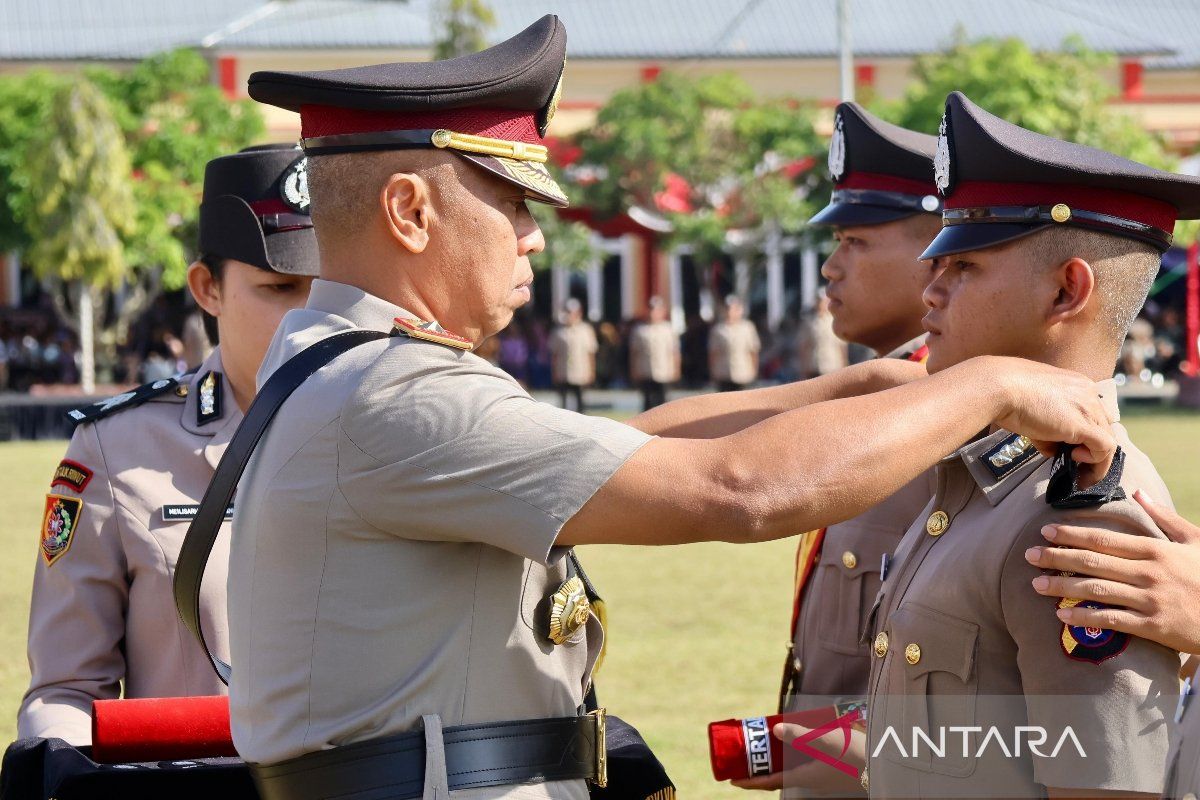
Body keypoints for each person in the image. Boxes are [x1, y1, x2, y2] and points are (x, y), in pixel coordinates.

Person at [229, 21, 1115, 800]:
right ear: (409, 210)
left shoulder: (347, 373)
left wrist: (857, 387)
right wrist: (991, 386)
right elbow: (738, 490)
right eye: (508, 203)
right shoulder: (395, 397)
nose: (535, 234)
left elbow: (620, 442)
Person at [767, 91, 1200, 799]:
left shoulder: (1079, 515)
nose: (931, 290)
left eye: (963, 266)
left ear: (1066, 292)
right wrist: (832, 748)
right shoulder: (977, 487)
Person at [16, 146, 319, 744]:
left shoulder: (407, 433)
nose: (310, 317)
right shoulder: (118, 449)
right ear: (208, 290)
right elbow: (67, 690)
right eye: (280, 287)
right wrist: (62, 760)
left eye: (330, 288)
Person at [765, 103, 944, 790]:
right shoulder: (883, 404)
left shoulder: (963, 426)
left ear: (938, 256)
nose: (830, 270)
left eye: (857, 243)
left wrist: (820, 745)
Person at [630, 295, 680, 409]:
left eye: (657, 310)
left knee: (663, 402)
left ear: (662, 311)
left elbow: (674, 352)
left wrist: (676, 370)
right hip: (646, 370)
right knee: (647, 401)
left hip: (664, 371)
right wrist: (634, 370)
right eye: (651, 309)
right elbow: (634, 353)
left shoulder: (668, 329)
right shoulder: (639, 330)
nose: (653, 313)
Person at [549, 297, 596, 411]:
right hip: (563, 371)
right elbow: (554, 354)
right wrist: (554, 372)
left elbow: (591, 353)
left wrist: (592, 372)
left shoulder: (586, 330)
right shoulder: (558, 331)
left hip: (580, 372)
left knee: (580, 402)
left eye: (572, 312)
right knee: (564, 403)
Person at [708, 295, 760, 392]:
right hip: (724, 372)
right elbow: (713, 353)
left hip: (743, 372)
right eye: (728, 309)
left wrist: (754, 370)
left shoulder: (747, 328)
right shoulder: (718, 329)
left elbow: (753, 350)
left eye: (734, 309)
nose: (730, 312)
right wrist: (713, 371)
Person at [796, 293, 847, 378]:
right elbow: (804, 346)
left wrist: (844, 364)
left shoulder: (834, 321)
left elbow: (841, 346)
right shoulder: (809, 322)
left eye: (823, 301)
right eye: (819, 301)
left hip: (832, 365)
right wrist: (803, 366)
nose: (821, 304)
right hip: (814, 365)